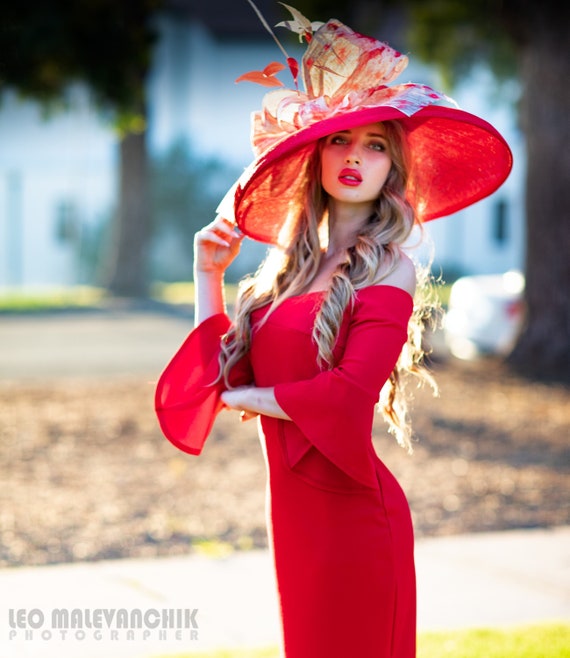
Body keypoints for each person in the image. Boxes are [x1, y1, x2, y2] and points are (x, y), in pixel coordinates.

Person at [155, 8, 512, 658]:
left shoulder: (390, 269)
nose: (356, 157)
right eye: (341, 141)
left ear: (393, 168)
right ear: (313, 154)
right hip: (294, 520)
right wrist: (207, 274)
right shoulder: (280, 277)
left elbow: (347, 396)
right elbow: (218, 377)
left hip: (355, 519)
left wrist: (254, 400)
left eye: (376, 145)